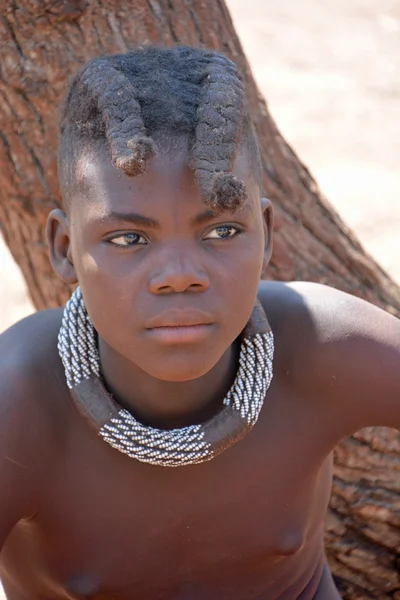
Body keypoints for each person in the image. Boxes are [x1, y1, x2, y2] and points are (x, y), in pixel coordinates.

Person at [0, 45, 399, 600]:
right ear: (65, 249)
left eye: (222, 232)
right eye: (128, 239)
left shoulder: (321, 347)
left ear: (266, 235)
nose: (179, 276)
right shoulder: (18, 400)